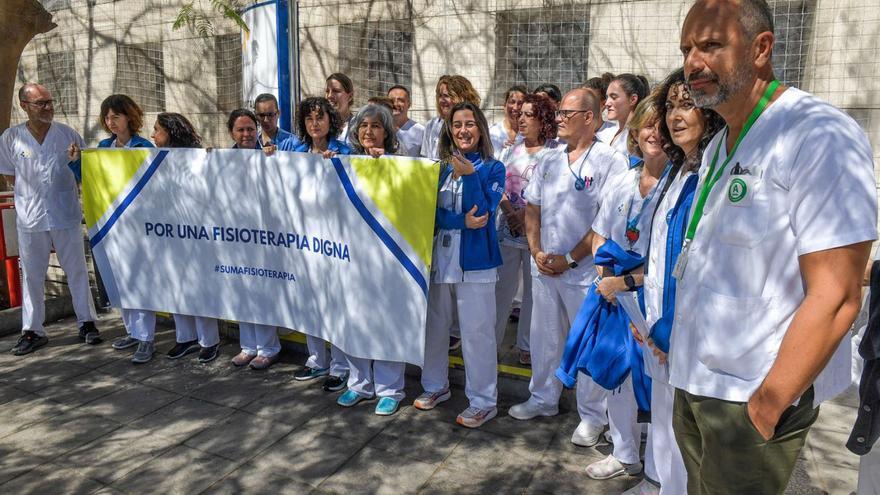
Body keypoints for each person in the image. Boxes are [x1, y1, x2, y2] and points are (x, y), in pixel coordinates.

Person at [670, 1, 876, 493]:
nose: (693, 63)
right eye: (687, 49)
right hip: (696, 384)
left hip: (751, 399)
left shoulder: (819, 134)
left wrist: (770, 401)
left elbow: (839, 294)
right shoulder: (723, 143)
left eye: (711, 45)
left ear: (761, 48)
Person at [508, 89, 628, 446]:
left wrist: (571, 258)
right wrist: (536, 250)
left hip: (584, 272)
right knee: (545, 338)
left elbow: (605, 223)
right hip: (544, 267)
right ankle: (543, 398)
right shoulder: (549, 158)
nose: (558, 118)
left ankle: (592, 416)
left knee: (586, 343)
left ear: (589, 118)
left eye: (566, 113)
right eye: (558, 112)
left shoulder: (609, 161)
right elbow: (533, 208)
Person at [629, 67, 724, 495]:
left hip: (682, 330)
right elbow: (660, 249)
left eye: (688, 105)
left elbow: (701, 261)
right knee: (665, 423)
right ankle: (658, 484)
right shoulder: (677, 170)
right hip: (659, 325)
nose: (675, 116)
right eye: (670, 106)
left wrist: (667, 323)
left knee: (684, 436)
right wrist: (646, 314)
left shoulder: (713, 171)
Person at [582, 97, 670, 483]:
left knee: (659, 382)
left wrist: (626, 282)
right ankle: (625, 453)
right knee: (617, 376)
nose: (654, 134)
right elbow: (600, 234)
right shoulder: (622, 180)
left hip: (655, 299)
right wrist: (606, 278)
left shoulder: (682, 184)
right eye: (648, 126)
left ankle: (663, 471)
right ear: (635, 132)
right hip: (613, 293)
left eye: (662, 127)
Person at [416, 101, 505, 428]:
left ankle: (483, 401)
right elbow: (431, 215)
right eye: (456, 125)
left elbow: (482, 212)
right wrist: (459, 222)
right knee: (435, 327)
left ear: (480, 129)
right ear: (449, 131)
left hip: (477, 265)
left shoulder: (494, 169)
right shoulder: (438, 170)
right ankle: (435, 385)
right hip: (441, 260)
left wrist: (469, 178)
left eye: (469, 124)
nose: (463, 130)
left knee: (476, 333)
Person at [0, 83, 100, 355]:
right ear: (24, 106)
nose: (48, 107)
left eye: (49, 101)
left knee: (77, 270)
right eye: (40, 103)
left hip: (65, 213)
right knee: (32, 276)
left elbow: (83, 172)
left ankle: (87, 323)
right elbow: (10, 177)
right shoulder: (11, 138)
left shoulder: (67, 134)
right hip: (30, 218)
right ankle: (32, 331)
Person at [70, 94, 156, 363]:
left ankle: (146, 339)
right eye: (107, 118)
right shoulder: (104, 147)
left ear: (129, 116)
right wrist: (75, 163)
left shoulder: (144, 146)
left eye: (115, 117)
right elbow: (90, 181)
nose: (110, 122)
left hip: (138, 225)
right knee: (121, 280)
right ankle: (132, 331)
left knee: (140, 281)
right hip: (112, 225)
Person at [335, 104, 407, 415]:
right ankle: (359, 383)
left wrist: (387, 166)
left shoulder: (401, 166)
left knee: (387, 320)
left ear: (387, 133)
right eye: (363, 126)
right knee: (355, 319)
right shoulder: (346, 163)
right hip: (352, 257)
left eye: (376, 126)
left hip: (388, 257)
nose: (368, 131)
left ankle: (390, 389)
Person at [284, 96, 352, 392]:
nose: (314, 123)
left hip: (335, 242)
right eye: (309, 118)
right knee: (310, 303)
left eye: (320, 118)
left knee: (335, 305)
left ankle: (340, 365)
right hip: (303, 241)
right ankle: (317, 359)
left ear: (330, 121)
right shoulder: (295, 152)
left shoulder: (344, 151)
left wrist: (335, 166)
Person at [149, 112, 221, 363]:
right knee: (175, 285)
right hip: (169, 233)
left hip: (197, 233)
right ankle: (185, 338)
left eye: (157, 129)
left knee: (198, 286)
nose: (153, 135)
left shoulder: (198, 157)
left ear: (170, 132)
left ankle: (209, 341)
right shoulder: (153, 159)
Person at [493, 93, 556, 366]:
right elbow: (498, 185)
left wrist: (525, 215)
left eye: (529, 114)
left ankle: (527, 345)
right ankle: (491, 342)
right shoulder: (510, 149)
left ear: (543, 121)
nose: (521, 118)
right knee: (501, 290)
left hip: (535, 234)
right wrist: (510, 212)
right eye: (520, 114)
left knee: (533, 293)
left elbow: (552, 192)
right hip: (507, 231)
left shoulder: (554, 152)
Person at [225, 108, 283, 370]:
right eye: (241, 130)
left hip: (264, 235)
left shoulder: (269, 154)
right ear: (231, 133)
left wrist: (273, 158)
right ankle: (248, 346)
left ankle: (268, 348)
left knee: (262, 289)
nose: (247, 134)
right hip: (236, 235)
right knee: (242, 289)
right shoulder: (223, 160)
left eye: (251, 129)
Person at [421, 75, 481, 160]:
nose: (442, 100)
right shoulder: (431, 125)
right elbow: (425, 158)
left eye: (447, 96)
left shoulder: (475, 124)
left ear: (462, 97)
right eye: (440, 96)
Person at [605, 74, 649, 156]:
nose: (607, 103)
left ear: (632, 99)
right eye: (607, 97)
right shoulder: (613, 132)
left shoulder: (639, 136)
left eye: (614, 97)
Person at [489, 85, 526, 158]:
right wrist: (502, 152)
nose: (515, 108)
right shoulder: (492, 132)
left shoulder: (528, 134)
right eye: (512, 102)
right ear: (504, 105)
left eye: (520, 103)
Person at [388, 85, 425, 157]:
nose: (395, 104)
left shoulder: (420, 131)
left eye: (401, 100)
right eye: (391, 101)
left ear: (409, 104)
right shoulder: (380, 128)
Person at [585, 73, 617, 141]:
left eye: (590, 99)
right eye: (581, 98)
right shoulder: (571, 132)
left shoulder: (615, 133)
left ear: (604, 103)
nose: (583, 103)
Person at [325, 73, 356, 139]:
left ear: (350, 96)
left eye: (336, 91)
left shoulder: (357, 126)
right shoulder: (320, 124)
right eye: (327, 91)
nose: (329, 96)